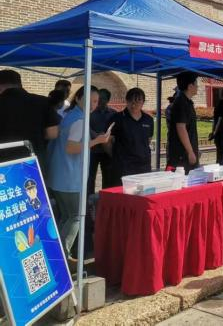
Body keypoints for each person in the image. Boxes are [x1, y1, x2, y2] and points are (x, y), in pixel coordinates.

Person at [48, 86, 110, 265]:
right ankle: (62, 257)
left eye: (96, 101)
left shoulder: (69, 115)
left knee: (66, 216)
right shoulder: (80, 119)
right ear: (78, 98)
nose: (93, 104)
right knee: (75, 216)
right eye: (89, 100)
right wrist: (96, 141)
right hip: (69, 178)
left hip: (59, 176)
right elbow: (71, 147)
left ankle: (57, 253)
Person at [0, 70, 60, 172]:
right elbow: (52, 134)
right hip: (33, 159)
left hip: (4, 162)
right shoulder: (43, 101)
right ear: (20, 84)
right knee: (33, 182)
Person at [108, 88, 154, 184]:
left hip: (143, 165)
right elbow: (107, 140)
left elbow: (148, 139)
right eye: (131, 101)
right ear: (126, 101)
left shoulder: (148, 119)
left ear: (143, 102)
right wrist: (115, 156)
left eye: (138, 101)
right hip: (123, 166)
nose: (134, 105)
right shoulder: (117, 118)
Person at [167, 72, 199, 173]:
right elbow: (181, 128)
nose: (197, 87)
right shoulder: (181, 102)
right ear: (190, 86)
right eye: (196, 84)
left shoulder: (187, 102)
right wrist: (190, 151)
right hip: (181, 154)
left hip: (186, 152)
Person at [88, 89, 116, 194]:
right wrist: (96, 136)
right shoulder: (90, 112)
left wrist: (108, 138)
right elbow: (86, 127)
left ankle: (105, 196)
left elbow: (116, 129)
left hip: (107, 150)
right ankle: (89, 197)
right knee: (90, 176)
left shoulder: (113, 113)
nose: (99, 100)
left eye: (102, 98)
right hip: (92, 149)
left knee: (107, 175)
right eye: (98, 98)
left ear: (108, 100)